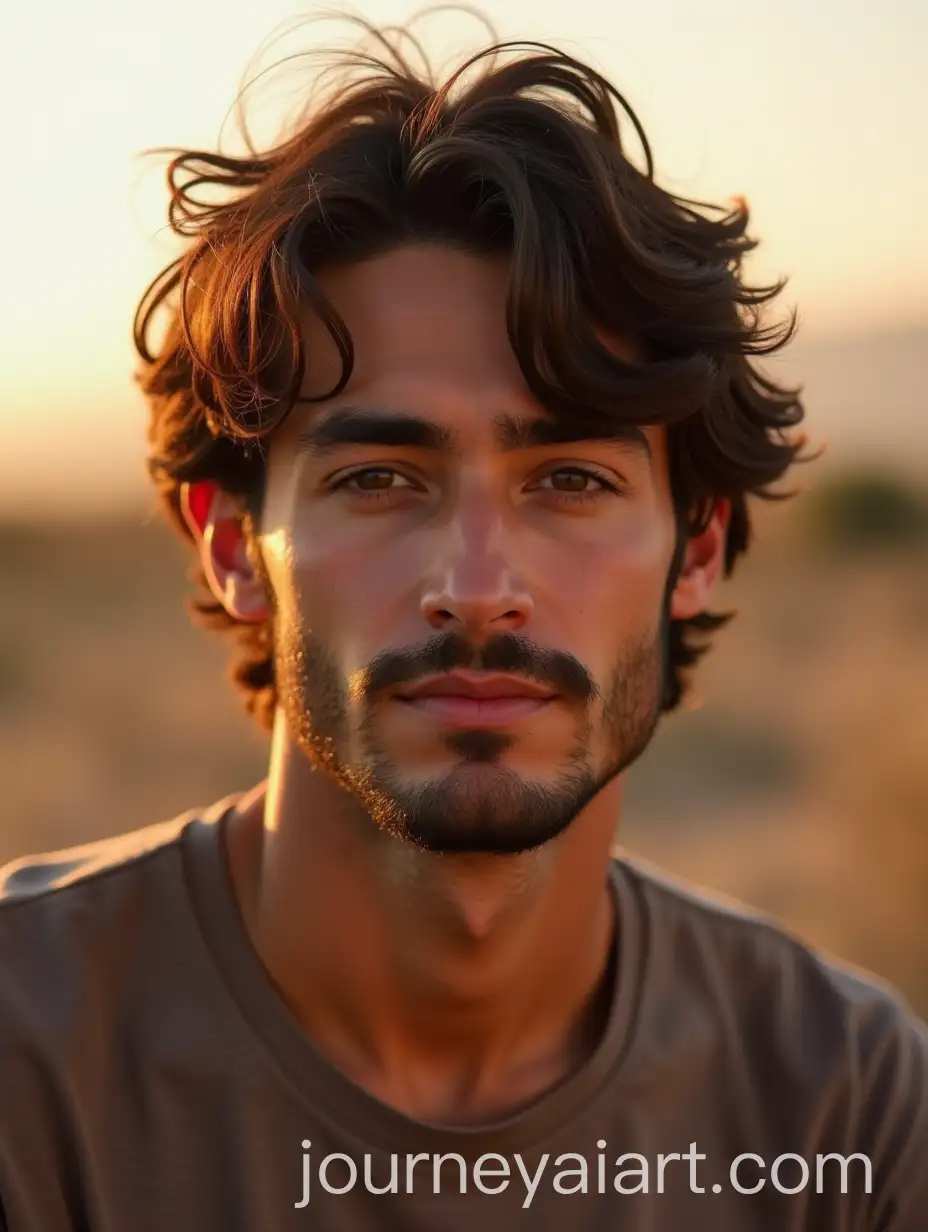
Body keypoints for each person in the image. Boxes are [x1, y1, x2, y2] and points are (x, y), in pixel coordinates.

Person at [1, 16, 925, 1230]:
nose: (479, 584)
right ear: (234, 545)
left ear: (694, 548)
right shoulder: (27, 1057)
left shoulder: (841, 1104)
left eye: (572, 481)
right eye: (379, 477)